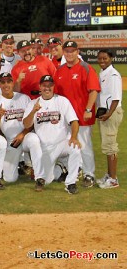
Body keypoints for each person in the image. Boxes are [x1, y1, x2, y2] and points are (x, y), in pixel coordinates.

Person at [23, 75, 82, 194]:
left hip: (60, 144)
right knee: (48, 179)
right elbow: (26, 124)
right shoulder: (34, 103)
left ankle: (70, 183)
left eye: (50, 85)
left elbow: (74, 121)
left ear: (54, 86)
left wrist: (74, 137)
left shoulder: (62, 101)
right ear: (40, 87)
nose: (47, 88)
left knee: (75, 147)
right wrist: (34, 111)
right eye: (44, 85)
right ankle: (58, 169)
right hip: (43, 148)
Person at [54, 41, 100, 188]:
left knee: (84, 146)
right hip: (65, 117)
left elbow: (93, 90)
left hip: (82, 114)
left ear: (77, 51)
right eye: (67, 51)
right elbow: (57, 95)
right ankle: (72, 172)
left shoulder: (86, 68)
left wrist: (88, 109)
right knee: (67, 145)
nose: (69, 53)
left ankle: (89, 174)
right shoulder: (59, 70)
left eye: (72, 51)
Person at [0, 73, 43, 189]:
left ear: (13, 83)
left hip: (25, 136)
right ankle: (19, 167)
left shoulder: (24, 98)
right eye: (3, 82)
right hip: (11, 142)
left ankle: (39, 177)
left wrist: (23, 134)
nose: (6, 85)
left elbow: (32, 121)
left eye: (9, 81)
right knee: (10, 178)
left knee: (34, 139)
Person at [96, 50, 123, 189]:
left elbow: (116, 97)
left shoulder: (113, 75)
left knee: (111, 146)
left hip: (110, 113)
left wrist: (109, 114)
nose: (102, 60)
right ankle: (109, 175)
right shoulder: (103, 73)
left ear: (111, 58)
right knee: (107, 146)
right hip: (105, 113)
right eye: (100, 58)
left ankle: (113, 180)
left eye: (105, 58)